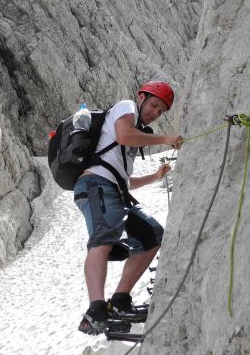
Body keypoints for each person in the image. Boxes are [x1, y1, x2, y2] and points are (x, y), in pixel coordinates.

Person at [74, 81, 184, 335]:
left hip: (113, 189)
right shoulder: (126, 108)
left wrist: (155, 177)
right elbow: (124, 135)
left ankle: (119, 301)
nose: (155, 112)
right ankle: (95, 311)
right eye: (154, 104)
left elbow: (124, 181)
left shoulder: (129, 146)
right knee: (102, 239)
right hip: (95, 185)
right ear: (141, 96)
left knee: (152, 235)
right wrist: (166, 139)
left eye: (161, 111)